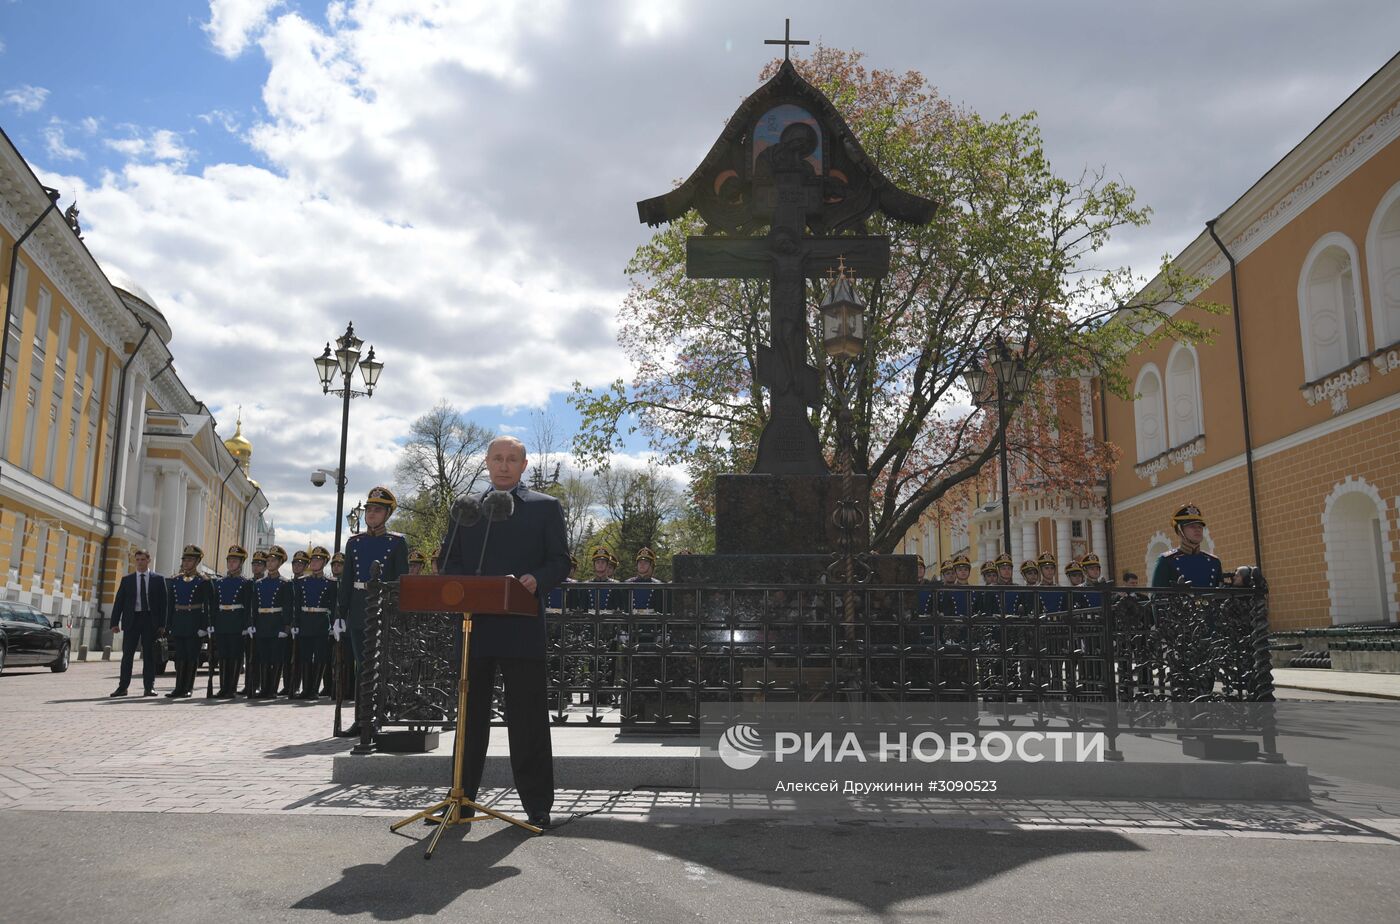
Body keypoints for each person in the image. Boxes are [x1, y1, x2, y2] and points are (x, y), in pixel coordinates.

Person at [438, 435, 570, 830]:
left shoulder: (546, 508)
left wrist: (537, 579)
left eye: (512, 459)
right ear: (486, 463)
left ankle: (537, 805)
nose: (504, 465)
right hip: (474, 626)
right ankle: (460, 802)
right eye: (497, 458)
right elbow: (450, 560)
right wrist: (460, 583)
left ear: (524, 466)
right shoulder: (466, 509)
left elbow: (560, 560)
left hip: (522, 625)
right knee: (469, 719)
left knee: (528, 718)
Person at [337, 487, 410, 735]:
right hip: (358, 609)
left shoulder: (397, 542)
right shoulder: (354, 543)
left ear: (387, 514)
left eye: (377, 510)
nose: (371, 514)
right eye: (368, 509)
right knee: (362, 666)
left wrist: (399, 614)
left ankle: (378, 718)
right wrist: (340, 614)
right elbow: (346, 581)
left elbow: (402, 582)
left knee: (379, 666)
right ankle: (361, 719)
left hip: (383, 610)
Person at [109, 549, 168, 697]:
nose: (140, 562)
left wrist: (162, 625)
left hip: (150, 620)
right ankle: (122, 687)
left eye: (143, 559)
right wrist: (114, 623)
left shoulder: (158, 579)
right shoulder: (127, 580)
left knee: (148, 655)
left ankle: (149, 687)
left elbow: (164, 604)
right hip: (132, 620)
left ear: (148, 560)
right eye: (138, 560)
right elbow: (119, 602)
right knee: (127, 655)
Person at [165, 545, 215, 699]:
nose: (187, 563)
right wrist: (169, 625)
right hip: (179, 622)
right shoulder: (176, 580)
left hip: (194, 622)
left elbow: (209, 605)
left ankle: (188, 688)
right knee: (180, 656)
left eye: (190, 560)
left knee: (192, 657)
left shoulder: (203, 581)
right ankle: (178, 687)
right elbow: (170, 605)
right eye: (185, 559)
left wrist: (204, 626)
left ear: (197, 561)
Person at [213, 545, 254, 698]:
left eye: (234, 561)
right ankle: (223, 687)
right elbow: (215, 605)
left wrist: (246, 625)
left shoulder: (246, 583)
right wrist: (212, 623)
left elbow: (248, 606)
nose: (231, 563)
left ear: (241, 563)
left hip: (237, 623)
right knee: (223, 656)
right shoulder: (219, 582)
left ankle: (231, 688)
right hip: (222, 622)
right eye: (229, 560)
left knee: (235, 656)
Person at [294, 546, 335, 700]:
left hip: (321, 622)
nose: (314, 563)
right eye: (313, 560)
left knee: (320, 656)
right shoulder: (302, 582)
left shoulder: (330, 583)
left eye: (318, 560)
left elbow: (332, 605)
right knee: (305, 656)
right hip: (305, 621)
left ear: (324, 562)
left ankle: (314, 689)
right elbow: (297, 605)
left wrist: (333, 624)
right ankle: (306, 689)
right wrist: (296, 624)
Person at [252, 546, 292, 699]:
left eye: (273, 561)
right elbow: (254, 606)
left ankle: (272, 689)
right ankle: (264, 688)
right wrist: (252, 624)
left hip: (276, 624)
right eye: (268, 561)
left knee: (276, 659)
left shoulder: (285, 583)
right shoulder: (259, 583)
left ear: (280, 563)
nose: (269, 563)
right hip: (262, 623)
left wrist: (286, 626)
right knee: (263, 658)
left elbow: (288, 606)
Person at [1152, 504, 1223, 588]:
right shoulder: (1167, 561)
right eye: (1192, 526)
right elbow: (1158, 598)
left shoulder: (1214, 561)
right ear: (1180, 531)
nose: (1197, 529)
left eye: (1200, 526)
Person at [282, 549, 310, 697]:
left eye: (300, 564)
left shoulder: (305, 583)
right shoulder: (289, 583)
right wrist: (286, 624)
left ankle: (296, 685)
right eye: (295, 564)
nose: (297, 567)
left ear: (306, 566)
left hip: (301, 624)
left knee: (298, 657)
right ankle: (287, 685)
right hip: (288, 625)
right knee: (287, 657)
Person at [241, 551, 268, 697]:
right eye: (254, 564)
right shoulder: (248, 583)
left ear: (264, 567)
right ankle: (248, 685)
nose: (256, 567)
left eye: (259, 565)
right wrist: (246, 625)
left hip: (262, 624)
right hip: (249, 625)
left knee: (260, 657)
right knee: (250, 657)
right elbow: (246, 606)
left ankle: (258, 685)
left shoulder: (265, 583)